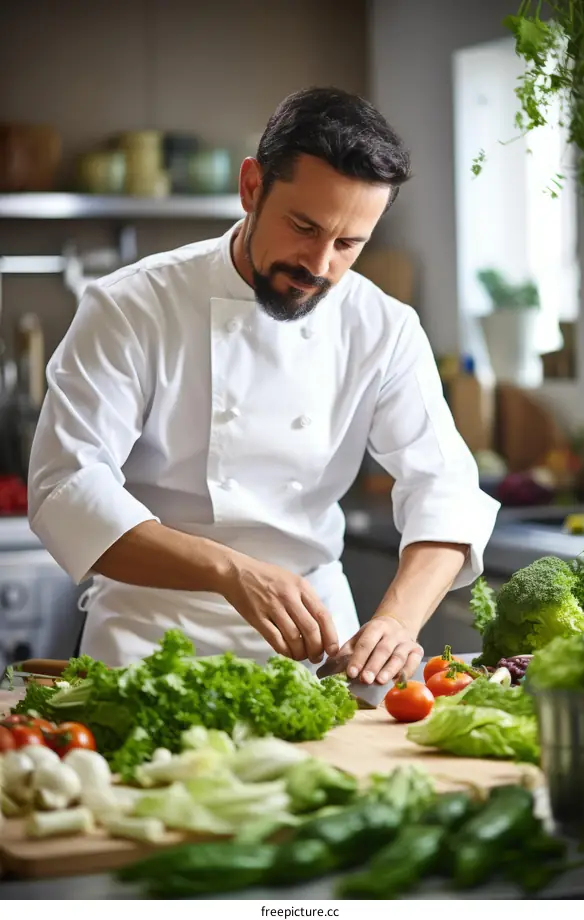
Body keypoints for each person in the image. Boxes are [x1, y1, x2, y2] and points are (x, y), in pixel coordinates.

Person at [28, 87, 499, 685]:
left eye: (348, 244)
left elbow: (445, 489)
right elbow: (65, 487)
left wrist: (397, 623)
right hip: (146, 648)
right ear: (252, 187)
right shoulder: (132, 306)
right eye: (304, 226)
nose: (319, 266)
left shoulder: (383, 327)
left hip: (318, 656)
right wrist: (231, 571)